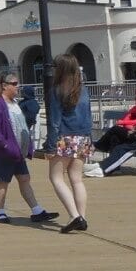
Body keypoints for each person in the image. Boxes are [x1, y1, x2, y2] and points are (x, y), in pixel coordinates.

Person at [0, 74, 58, 225]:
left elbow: (21, 125)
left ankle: (37, 210)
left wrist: (27, 146)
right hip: (2, 150)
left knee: (24, 178)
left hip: (17, 150)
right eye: (14, 84)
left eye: (17, 83)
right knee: (3, 180)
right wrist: (4, 144)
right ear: (4, 85)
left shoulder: (14, 103)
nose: (18, 87)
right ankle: (0, 212)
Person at [42, 54, 93, 234]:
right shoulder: (83, 89)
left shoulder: (56, 90)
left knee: (56, 178)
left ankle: (74, 216)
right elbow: (89, 115)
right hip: (83, 137)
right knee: (76, 179)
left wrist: (49, 146)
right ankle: (83, 217)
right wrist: (89, 138)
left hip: (65, 137)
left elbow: (55, 121)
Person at [91, 87, 136, 155]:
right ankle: (113, 163)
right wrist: (128, 126)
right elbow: (126, 119)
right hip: (130, 132)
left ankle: (97, 146)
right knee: (115, 138)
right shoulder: (135, 108)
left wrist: (122, 123)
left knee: (115, 129)